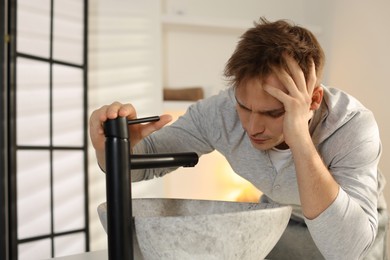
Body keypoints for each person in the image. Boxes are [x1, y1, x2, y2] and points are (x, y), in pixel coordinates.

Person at [89, 18, 388, 259]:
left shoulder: (353, 128)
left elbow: (347, 250)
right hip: (280, 220)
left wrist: (299, 137)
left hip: (352, 229)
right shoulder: (221, 112)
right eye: (245, 107)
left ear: (313, 100)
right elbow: (140, 165)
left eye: (272, 113)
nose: (253, 126)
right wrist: (112, 148)